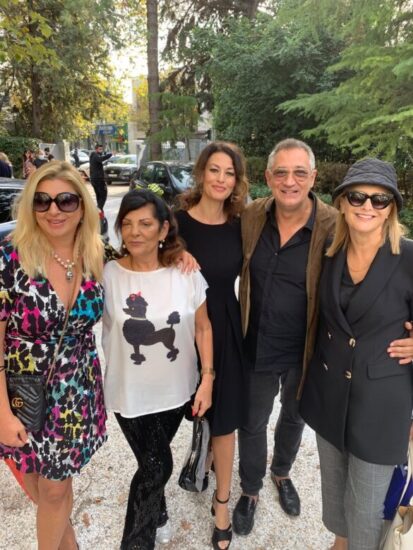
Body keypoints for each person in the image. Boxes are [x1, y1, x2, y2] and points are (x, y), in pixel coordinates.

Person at [299, 158, 413, 550]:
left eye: (380, 199)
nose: (367, 206)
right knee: (335, 496)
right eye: (357, 197)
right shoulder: (329, 253)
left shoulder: (409, 258)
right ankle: (340, 542)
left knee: (367, 510)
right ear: (342, 203)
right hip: (329, 397)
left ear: (391, 208)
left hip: (381, 409)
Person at [232, 138, 337, 535]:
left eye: (299, 173)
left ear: (313, 177)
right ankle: (250, 488)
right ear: (268, 176)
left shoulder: (334, 225)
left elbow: (369, 269)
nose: (289, 181)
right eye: (281, 172)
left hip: (307, 347)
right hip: (258, 342)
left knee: (295, 416)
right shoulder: (251, 217)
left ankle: (282, 472)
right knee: (252, 421)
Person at [0, 160, 106, 549]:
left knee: (56, 488)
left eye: (65, 200)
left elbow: (147, 259)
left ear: (82, 206)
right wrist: (2, 411)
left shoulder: (94, 254)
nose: (53, 210)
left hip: (77, 392)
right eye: (41, 201)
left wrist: (180, 256)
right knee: (39, 482)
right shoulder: (10, 259)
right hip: (23, 393)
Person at [102, 189, 214, 550]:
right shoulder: (107, 274)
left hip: (176, 392)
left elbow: (203, 328)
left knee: (153, 461)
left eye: (145, 223)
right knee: (156, 465)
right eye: (127, 224)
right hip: (128, 393)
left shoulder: (186, 273)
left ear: (164, 229)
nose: (135, 232)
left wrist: (207, 378)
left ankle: (160, 511)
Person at [176, 141, 249, 550]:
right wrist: (175, 254)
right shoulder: (175, 223)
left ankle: (221, 504)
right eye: (215, 170)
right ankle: (195, 458)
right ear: (202, 172)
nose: (221, 179)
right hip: (181, 329)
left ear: (236, 181)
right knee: (185, 408)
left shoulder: (240, 224)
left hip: (225, 324)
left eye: (229, 173)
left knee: (225, 420)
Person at [89, 144, 112, 210]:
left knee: (99, 195)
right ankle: (99, 209)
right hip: (98, 179)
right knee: (103, 195)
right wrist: (110, 154)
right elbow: (101, 159)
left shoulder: (93, 156)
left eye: (102, 149)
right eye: (99, 149)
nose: (101, 150)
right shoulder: (95, 155)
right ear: (96, 149)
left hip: (94, 179)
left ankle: (99, 210)